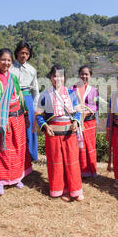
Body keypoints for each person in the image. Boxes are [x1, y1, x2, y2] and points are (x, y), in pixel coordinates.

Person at [0, 48, 29, 196]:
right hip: (1, 119)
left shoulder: (13, 78)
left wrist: (26, 115)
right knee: (3, 148)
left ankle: (16, 178)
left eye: (9, 60)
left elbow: (20, 97)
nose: (6, 63)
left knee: (18, 147)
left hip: (17, 117)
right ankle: (0, 181)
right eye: (3, 60)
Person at [35, 64, 84, 202]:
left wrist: (76, 121)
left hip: (69, 132)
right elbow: (38, 115)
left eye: (61, 76)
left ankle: (75, 190)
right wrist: (45, 126)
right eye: (55, 76)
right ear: (51, 78)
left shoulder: (71, 94)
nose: (58, 78)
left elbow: (78, 111)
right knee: (57, 162)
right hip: (53, 133)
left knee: (72, 161)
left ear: (65, 78)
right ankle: (60, 190)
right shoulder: (44, 95)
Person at [9, 41, 39, 176]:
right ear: (17, 53)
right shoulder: (10, 68)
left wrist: (35, 107)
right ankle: (15, 157)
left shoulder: (32, 70)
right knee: (15, 129)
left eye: (27, 53)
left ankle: (30, 157)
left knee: (29, 129)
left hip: (27, 99)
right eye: (22, 53)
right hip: (13, 99)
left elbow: (36, 91)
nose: (24, 56)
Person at [70, 65, 99, 178]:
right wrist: (78, 114)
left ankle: (90, 171)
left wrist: (86, 113)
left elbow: (95, 106)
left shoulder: (93, 91)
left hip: (89, 122)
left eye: (86, 74)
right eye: (82, 73)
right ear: (79, 75)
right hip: (76, 121)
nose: (84, 76)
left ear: (90, 76)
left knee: (89, 146)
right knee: (78, 145)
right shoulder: (73, 89)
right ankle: (79, 171)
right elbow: (70, 103)